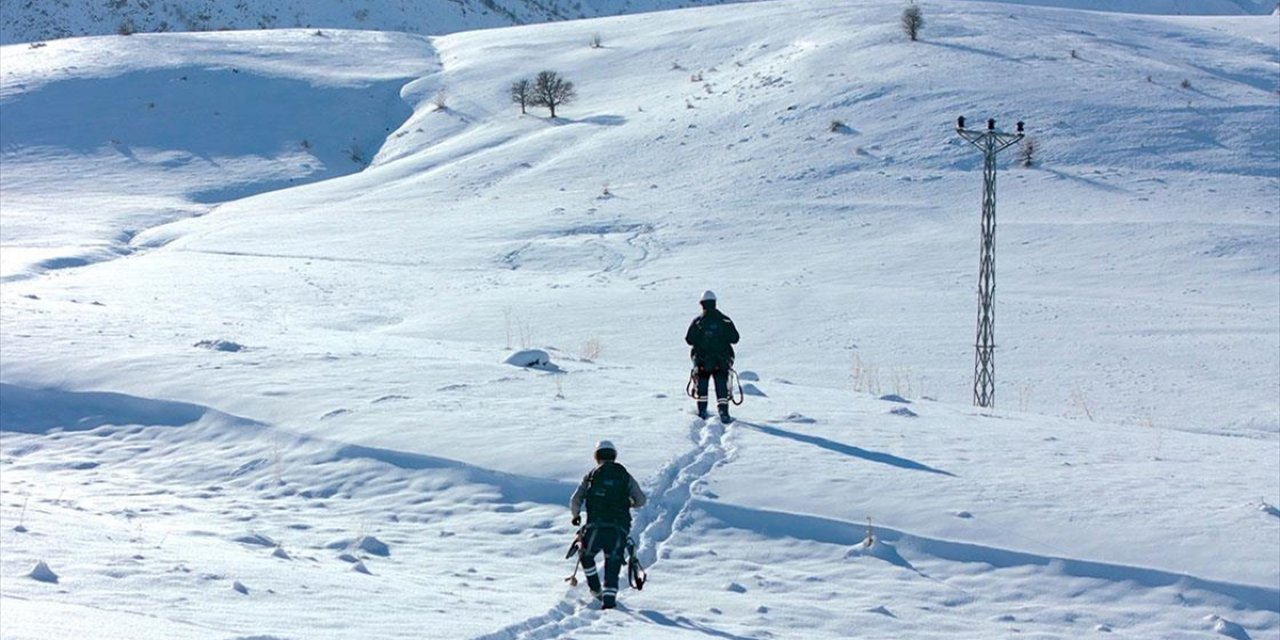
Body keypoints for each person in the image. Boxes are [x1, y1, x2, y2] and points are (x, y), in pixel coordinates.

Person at [569, 440, 646, 609]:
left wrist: (576, 516)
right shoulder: (624, 475)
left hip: (595, 527)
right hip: (619, 528)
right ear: (614, 455)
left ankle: (596, 589)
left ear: (596, 456)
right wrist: (629, 503)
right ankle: (609, 603)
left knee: (586, 555)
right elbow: (641, 500)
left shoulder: (591, 475)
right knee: (613, 561)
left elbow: (576, 500)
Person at [685, 290, 740, 422]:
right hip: (722, 360)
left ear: (702, 304)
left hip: (702, 361)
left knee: (702, 385)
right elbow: (735, 338)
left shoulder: (698, 321)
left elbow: (689, 339)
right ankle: (723, 412)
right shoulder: (725, 320)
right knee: (721, 385)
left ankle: (702, 411)